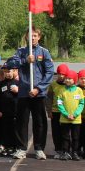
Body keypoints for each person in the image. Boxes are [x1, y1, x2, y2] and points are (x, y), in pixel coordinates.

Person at [14, 27, 55, 160]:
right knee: (22, 122)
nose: (32, 38)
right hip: (24, 92)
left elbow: (49, 72)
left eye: (35, 35)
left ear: (39, 37)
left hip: (38, 94)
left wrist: (38, 88)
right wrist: (25, 60)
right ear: (26, 37)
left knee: (40, 122)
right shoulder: (21, 51)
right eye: (30, 35)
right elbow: (11, 63)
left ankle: (39, 148)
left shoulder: (44, 52)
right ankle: (21, 148)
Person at [55, 67, 84, 161]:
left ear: (74, 80)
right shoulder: (62, 90)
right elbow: (59, 103)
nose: (67, 80)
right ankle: (65, 152)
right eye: (66, 78)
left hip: (76, 119)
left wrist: (75, 114)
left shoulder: (79, 90)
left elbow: (81, 103)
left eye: (70, 79)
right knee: (65, 137)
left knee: (75, 137)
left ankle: (75, 152)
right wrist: (66, 114)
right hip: (65, 119)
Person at [0, 58, 21, 159]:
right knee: (5, 129)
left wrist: (18, 91)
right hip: (4, 112)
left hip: (15, 111)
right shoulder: (2, 83)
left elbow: (23, 97)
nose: (7, 74)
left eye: (9, 71)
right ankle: (6, 146)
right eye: (5, 72)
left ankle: (14, 147)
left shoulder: (18, 83)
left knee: (14, 130)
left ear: (14, 71)